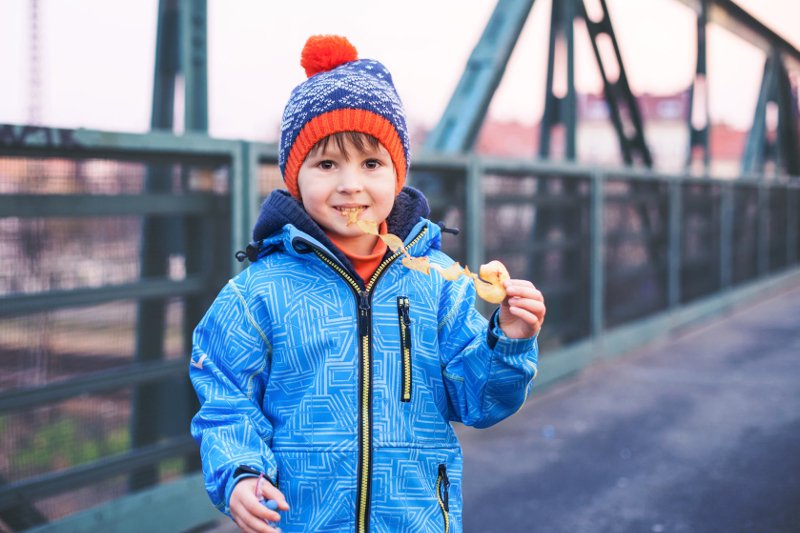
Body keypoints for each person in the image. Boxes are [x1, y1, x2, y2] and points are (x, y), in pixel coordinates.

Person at [189, 34, 546, 533]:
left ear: (398, 175)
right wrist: (240, 473)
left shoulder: (440, 282)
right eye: (327, 164)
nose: (350, 183)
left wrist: (510, 340)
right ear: (296, 179)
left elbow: (479, 401)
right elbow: (226, 399)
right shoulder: (256, 295)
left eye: (372, 163)